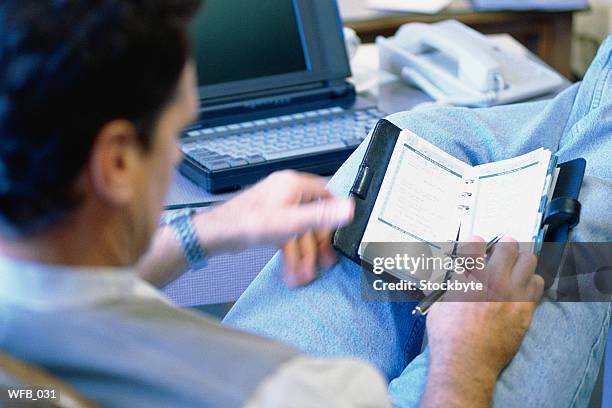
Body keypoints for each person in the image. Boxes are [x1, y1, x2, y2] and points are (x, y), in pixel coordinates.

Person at [0, 0, 608, 406]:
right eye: (175, 131)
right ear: (116, 164)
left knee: (419, 135)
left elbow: (66, 291)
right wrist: (465, 354)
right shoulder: (289, 390)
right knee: (589, 218)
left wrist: (207, 230)